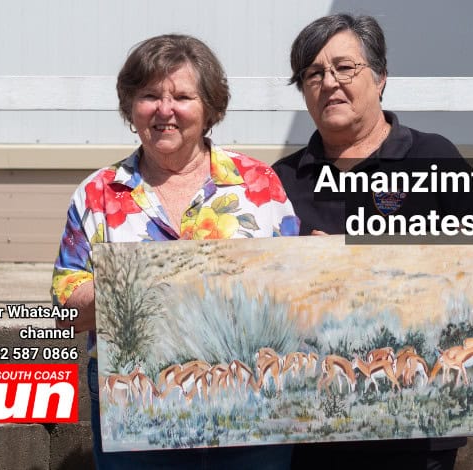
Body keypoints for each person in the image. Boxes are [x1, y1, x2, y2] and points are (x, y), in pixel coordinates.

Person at [51, 34, 298, 469]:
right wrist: (149, 284)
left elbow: (297, 292)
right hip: (135, 403)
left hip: (250, 400)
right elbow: (67, 308)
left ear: (209, 109)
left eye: (182, 96)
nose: (165, 110)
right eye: (149, 96)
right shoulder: (97, 194)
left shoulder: (259, 186)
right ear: (131, 108)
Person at [272, 13, 473, 470]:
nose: (329, 82)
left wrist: (349, 262)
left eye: (344, 68)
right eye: (313, 73)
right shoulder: (280, 181)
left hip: (415, 423)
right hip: (310, 426)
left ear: (381, 77)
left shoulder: (434, 158)